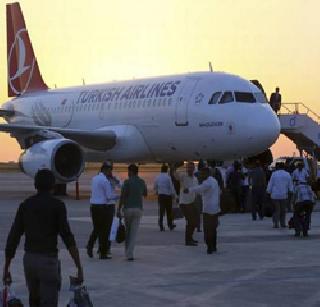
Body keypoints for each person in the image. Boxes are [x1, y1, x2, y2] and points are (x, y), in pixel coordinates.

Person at [2, 169, 83, 307]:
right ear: (53, 186)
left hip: (30, 261)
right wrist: (78, 266)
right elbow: (67, 237)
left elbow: (14, 237)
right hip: (48, 261)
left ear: (35, 185)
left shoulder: (25, 205)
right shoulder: (57, 206)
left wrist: (6, 267)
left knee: (34, 300)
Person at [185, 167, 220, 254]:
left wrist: (189, 190)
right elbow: (203, 191)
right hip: (215, 208)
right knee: (213, 229)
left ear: (207, 174)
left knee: (208, 229)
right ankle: (214, 246)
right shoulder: (214, 181)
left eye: (203, 174)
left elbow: (200, 188)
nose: (201, 175)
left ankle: (209, 248)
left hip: (208, 209)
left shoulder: (207, 182)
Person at [87, 162, 118, 259]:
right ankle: (103, 253)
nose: (110, 172)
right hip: (103, 208)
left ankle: (90, 245)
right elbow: (109, 196)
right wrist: (118, 196)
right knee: (105, 231)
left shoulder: (94, 178)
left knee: (96, 229)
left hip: (93, 206)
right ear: (106, 170)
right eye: (109, 170)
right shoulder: (105, 181)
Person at [118, 164, 147, 261]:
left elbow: (123, 196)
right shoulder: (142, 182)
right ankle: (130, 253)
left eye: (128, 171)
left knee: (128, 231)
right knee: (133, 233)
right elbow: (145, 193)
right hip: (138, 209)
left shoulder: (127, 182)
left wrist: (118, 209)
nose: (128, 173)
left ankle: (127, 251)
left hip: (128, 209)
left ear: (131, 172)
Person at [175, 162, 199, 246]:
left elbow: (196, 190)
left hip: (192, 202)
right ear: (186, 168)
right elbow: (175, 175)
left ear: (194, 169)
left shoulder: (195, 179)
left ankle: (190, 238)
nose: (190, 169)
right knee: (190, 221)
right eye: (188, 167)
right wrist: (173, 167)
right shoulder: (183, 176)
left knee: (195, 221)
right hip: (184, 203)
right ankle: (188, 240)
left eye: (191, 168)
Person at [267, 162, 294, 228]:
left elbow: (270, 184)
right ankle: (283, 223)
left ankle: (276, 223)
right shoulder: (287, 174)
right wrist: (291, 191)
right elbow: (290, 185)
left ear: (278, 167)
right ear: (284, 167)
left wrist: (268, 191)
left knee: (276, 210)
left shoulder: (274, 174)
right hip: (284, 195)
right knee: (283, 210)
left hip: (275, 195)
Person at [154, 164, 176, 231]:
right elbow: (171, 186)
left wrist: (157, 191)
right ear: (167, 170)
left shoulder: (157, 177)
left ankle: (161, 225)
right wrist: (174, 194)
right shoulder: (168, 177)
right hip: (168, 196)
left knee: (161, 211)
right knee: (169, 211)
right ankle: (170, 224)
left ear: (161, 169)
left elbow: (155, 186)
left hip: (161, 196)